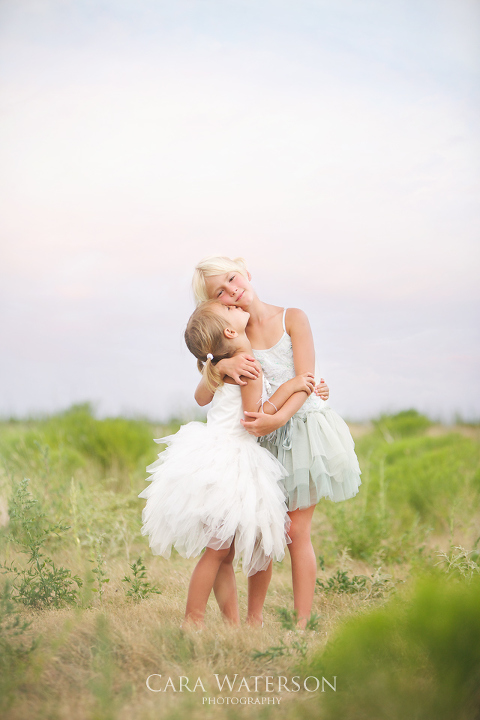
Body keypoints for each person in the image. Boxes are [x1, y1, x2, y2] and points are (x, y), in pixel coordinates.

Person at [192, 256, 362, 629]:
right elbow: (203, 392)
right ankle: (253, 621)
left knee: (294, 531)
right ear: (215, 304)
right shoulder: (230, 333)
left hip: (300, 430)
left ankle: (302, 624)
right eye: (220, 292)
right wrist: (219, 368)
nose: (232, 291)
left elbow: (305, 379)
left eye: (233, 279)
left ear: (246, 272)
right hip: (257, 443)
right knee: (259, 533)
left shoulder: (292, 318)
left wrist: (278, 417)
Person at [138, 299, 317, 628]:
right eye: (231, 310)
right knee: (219, 550)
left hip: (208, 455)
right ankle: (193, 619)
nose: (235, 305)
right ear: (232, 330)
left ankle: (231, 624)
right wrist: (291, 386)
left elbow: (202, 399)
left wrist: (215, 369)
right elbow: (257, 415)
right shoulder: (248, 365)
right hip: (233, 458)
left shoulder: (225, 364)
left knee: (219, 550)